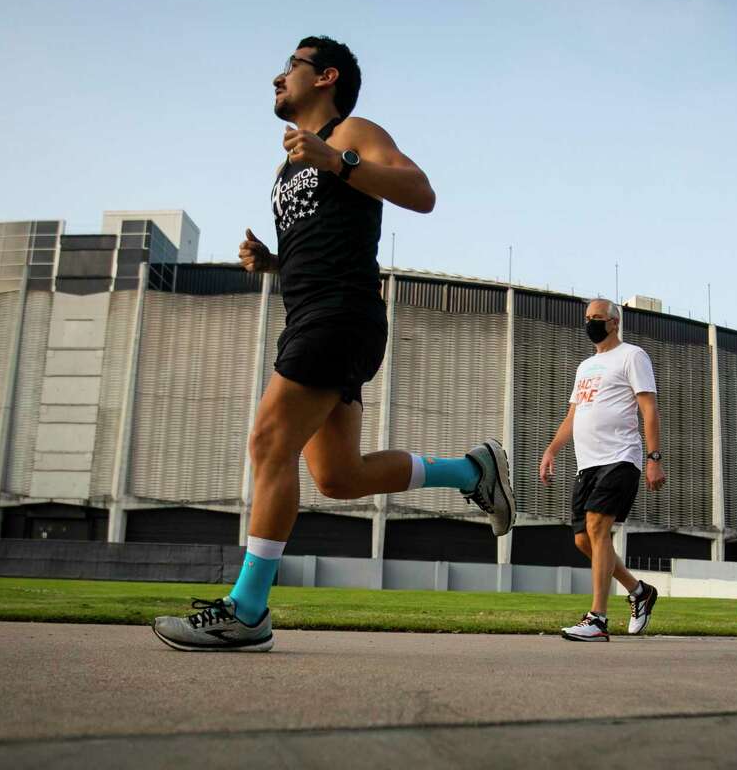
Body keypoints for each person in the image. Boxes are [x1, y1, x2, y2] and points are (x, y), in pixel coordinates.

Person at [153, 36, 514, 652]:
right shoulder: (287, 164)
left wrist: (337, 158)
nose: (277, 76)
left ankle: (246, 609)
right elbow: (324, 241)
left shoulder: (354, 132)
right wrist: (271, 263)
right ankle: (471, 469)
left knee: (269, 440)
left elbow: (421, 193)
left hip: (340, 315)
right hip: (312, 313)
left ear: (325, 77)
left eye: (289, 65)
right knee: (338, 476)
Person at [540, 298, 665, 642]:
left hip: (620, 457)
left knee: (597, 527)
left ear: (614, 322)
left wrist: (654, 458)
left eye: (597, 318)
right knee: (584, 540)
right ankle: (639, 591)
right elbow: (573, 416)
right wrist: (551, 450)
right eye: (587, 318)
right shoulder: (585, 367)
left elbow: (649, 410)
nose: (590, 323)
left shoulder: (632, 356)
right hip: (587, 463)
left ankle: (597, 619)